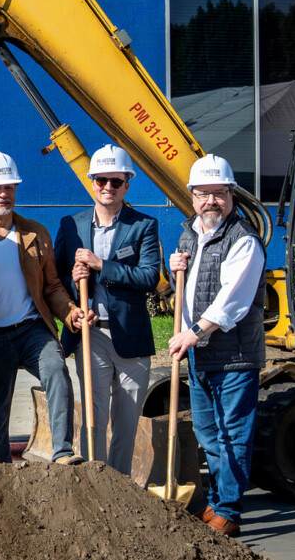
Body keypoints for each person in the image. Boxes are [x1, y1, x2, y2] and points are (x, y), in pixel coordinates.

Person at [169, 154, 266, 538]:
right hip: (200, 355)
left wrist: (194, 332)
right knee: (208, 434)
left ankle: (228, 509)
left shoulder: (244, 240)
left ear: (231, 195)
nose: (211, 201)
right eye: (204, 194)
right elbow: (187, 288)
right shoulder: (189, 233)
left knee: (233, 434)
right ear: (192, 196)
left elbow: (233, 301)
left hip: (235, 356)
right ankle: (215, 501)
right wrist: (174, 266)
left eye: (219, 194)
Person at [0, 151, 88, 465]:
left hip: (32, 328)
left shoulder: (35, 233)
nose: (2, 194)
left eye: (9, 187)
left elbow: (51, 287)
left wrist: (69, 311)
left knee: (57, 373)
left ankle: (62, 452)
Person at [53, 144, 162, 473]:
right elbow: (55, 279)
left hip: (130, 337)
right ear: (92, 183)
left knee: (126, 422)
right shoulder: (71, 225)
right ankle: (95, 484)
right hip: (90, 334)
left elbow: (149, 277)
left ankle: (121, 488)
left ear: (127, 184)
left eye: (116, 181)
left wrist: (101, 264)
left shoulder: (143, 225)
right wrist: (74, 283)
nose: (108, 188)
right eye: (101, 181)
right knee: (93, 418)